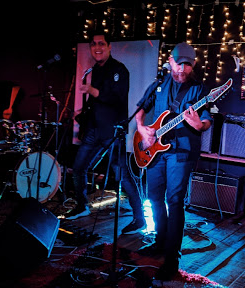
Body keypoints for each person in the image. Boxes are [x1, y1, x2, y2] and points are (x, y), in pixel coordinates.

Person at [134, 42, 212, 280]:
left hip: (182, 151)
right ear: (170, 60)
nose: (183, 69)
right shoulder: (159, 84)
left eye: (188, 65)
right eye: (179, 64)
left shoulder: (199, 90)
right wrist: (141, 127)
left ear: (194, 65)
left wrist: (200, 125)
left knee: (175, 200)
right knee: (154, 197)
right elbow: (140, 108)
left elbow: (207, 121)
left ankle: (172, 257)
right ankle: (159, 241)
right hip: (156, 150)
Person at [67, 30, 146, 236]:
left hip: (112, 132)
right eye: (93, 44)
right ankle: (82, 205)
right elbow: (96, 102)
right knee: (78, 168)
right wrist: (82, 113)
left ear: (110, 47)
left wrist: (92, 91)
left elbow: (117, 98)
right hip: (94, 129)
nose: (97, 47)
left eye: (101, 43)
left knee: (123, 177)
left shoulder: (120, 70)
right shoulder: (95, 69)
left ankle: (140, 219)